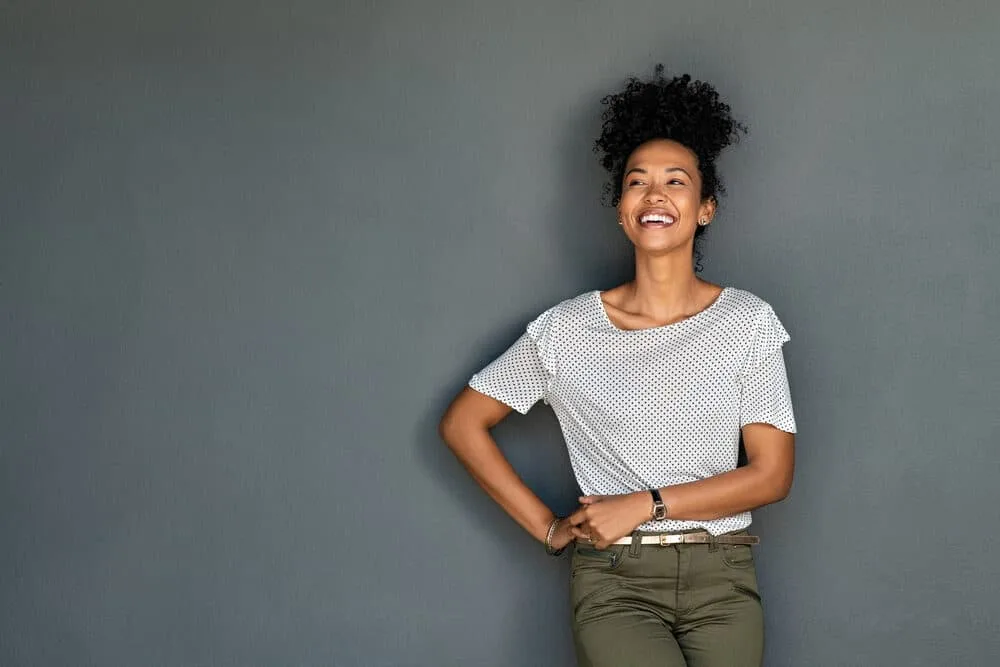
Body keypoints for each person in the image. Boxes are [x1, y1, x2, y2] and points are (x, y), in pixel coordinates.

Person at [438, 65, 796, 667]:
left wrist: (647, 503)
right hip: (615, 583)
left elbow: (771, 475)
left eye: (675, 182)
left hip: (724, 576)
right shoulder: (565, 331)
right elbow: (462, 424)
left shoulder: (747, 321)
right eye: (638, 182)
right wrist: (549, 529)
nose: (655, 194)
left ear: (704, 208)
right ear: (622, 210)